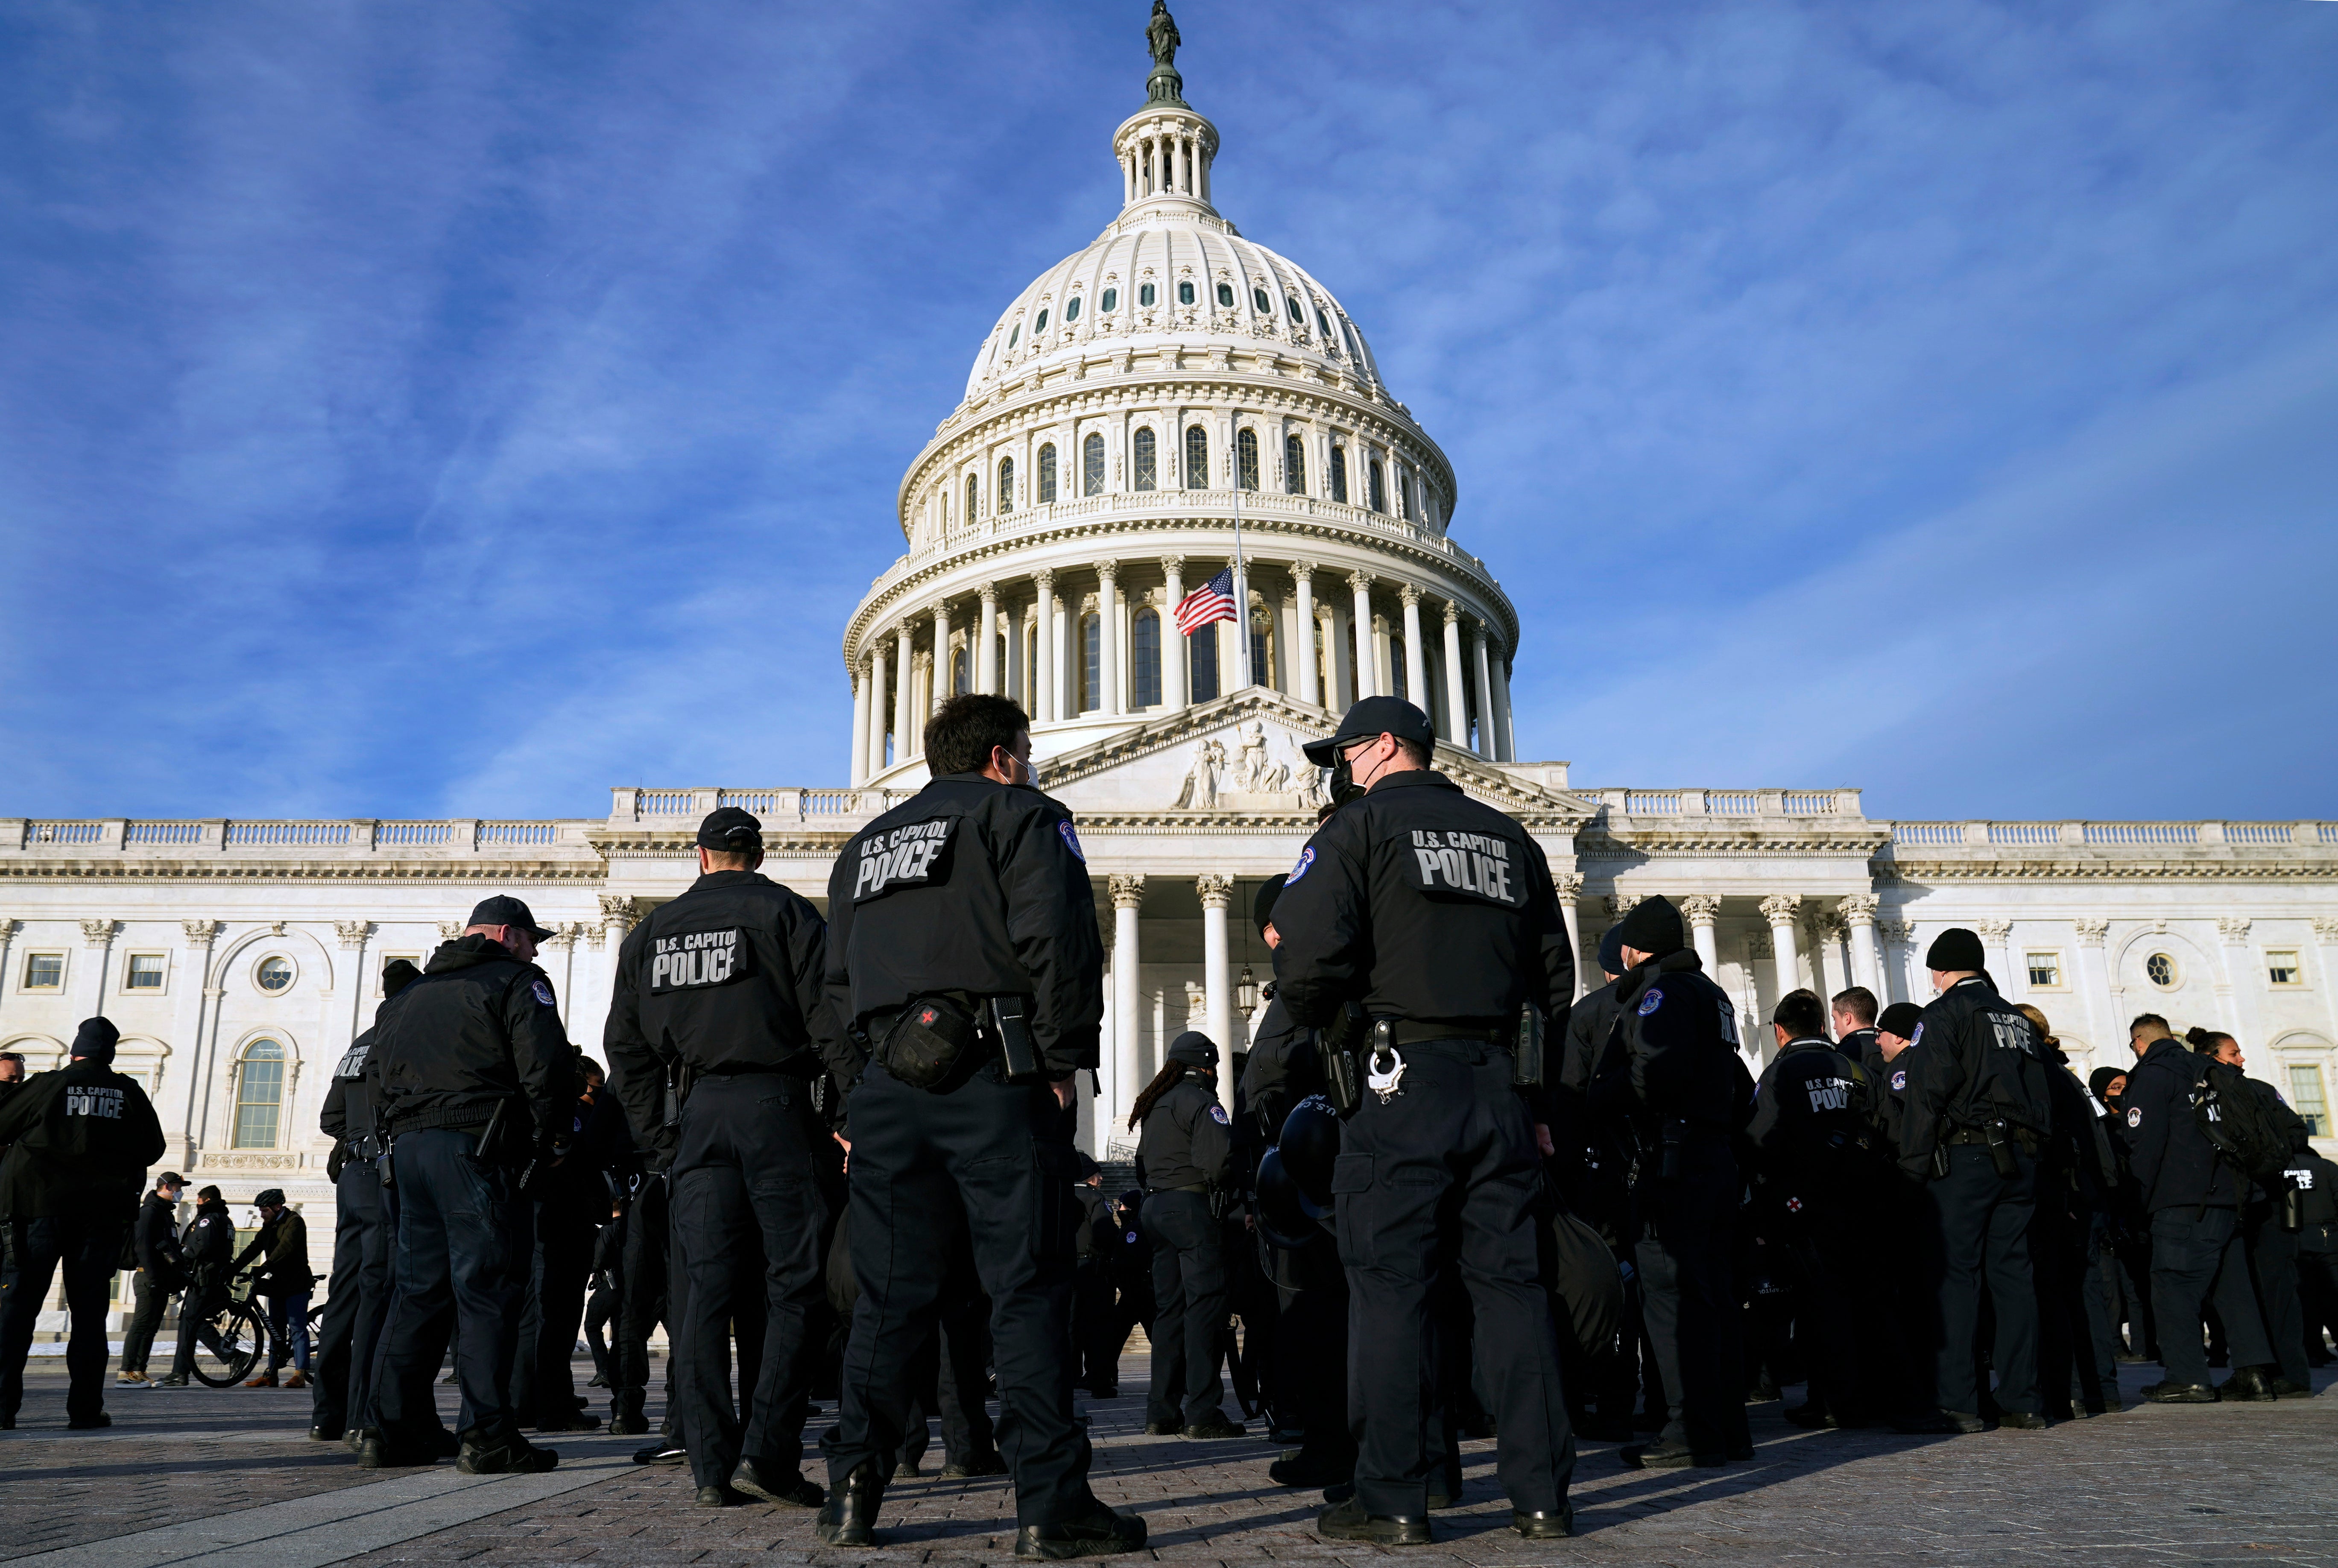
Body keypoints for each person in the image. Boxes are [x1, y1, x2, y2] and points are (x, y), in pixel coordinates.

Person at [813, 693, 1143, 1558]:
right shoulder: (1022, 815)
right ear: (1002, 757)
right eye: (1026, 751)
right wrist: (1065, 1060)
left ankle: (852, 1494)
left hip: (890, 1084)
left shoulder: (867, 848)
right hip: (996, 1074)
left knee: (888, 1298)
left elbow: (834, 990)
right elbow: (1059, 943)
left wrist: (860, 1091)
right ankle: (1050, 1504)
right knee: (1026, 1291)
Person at [1273, 695, 1576, 1544]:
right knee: (1512, 1293)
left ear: (1374, 750)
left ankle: (1395, 1498)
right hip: (1497, 1083)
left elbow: (1303, 963)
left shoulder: (1355, 832)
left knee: (1391, 1292)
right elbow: (1554, 982)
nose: (1337, 768)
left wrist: (1332, 1025)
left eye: (1340, 753)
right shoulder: (1510, 838)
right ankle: (1542, 1495)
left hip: (1397, 1076)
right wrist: (1539, 1099)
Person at [604, 806, 834, 1509]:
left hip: (696, 1113)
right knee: (795, 1285)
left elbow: (627, 1048)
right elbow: (832, 1024)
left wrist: (659, 1137)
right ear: (757, 855)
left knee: (700, 1294)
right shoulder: (791, 916)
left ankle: (709, 1462)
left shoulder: (650, 932)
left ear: (700, 856)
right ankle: (768, 1450)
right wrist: (849, 1116)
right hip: (779, 1108)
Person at [363, 894, 576, 1474]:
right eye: (532, 939)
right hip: (477, 1149)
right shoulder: (517, 982)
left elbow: (375, 1079)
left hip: (409, 1151)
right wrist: (549, 1143)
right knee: (486, 1292)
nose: (535, 951)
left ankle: (391, 1430)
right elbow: (546, 1070)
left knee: (417, 1292)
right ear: (507, 935)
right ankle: (486, 1433)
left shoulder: (407, 997)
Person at [1582, 896, 1761, 1468]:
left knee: (1670, 1300)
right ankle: (1726, 1427)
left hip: (1670, 1160)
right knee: (1713, 1298)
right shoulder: (1711, 993)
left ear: (1635, 949)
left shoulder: (1659, 993)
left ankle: (1687, 1429)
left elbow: (1651, 1074)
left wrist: (1592, 1100)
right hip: (1711, 1157)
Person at [1895, 929, 2054, 1431]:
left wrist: (1911, 1171)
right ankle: (2023, 1399)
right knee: (2013, 1278)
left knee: (1956, 1277)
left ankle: (1958, 1400)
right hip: (2021, 1158)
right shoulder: (2017, 1020)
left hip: (1966, 1157)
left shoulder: (1944, 1015)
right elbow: (2042, 1097)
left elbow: (1926, 1096)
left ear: (1940, 972)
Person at [0, 1019, 166, 1429]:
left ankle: (3, 1409)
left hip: (36, 1210)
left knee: (16, 1310)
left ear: (75, 1052)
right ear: (110, 1054)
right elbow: (154, 1148)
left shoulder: (46, 1085)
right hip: (100, 1216)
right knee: (90, 1316)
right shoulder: (128, 1091)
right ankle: (86, 1409)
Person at [1746, 989, 1899, 1431]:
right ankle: (1866, 1394)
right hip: (1862, 1200)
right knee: (1865, 1300)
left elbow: (1758, 1138)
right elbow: (1884, 1129)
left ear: (1779, 1031)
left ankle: (1830, 1398)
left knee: (1818, 1306)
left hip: (1804, 1206)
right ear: (1821, 1026)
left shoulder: (1781, 1072)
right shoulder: (1855, 1069)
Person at [2120, 1014, 2277, 1403]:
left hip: (2183, 1200)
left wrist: (2137, 1203)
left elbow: (2143, 1147)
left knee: (2172, 1287)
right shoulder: (2208, 1070)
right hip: (2230, 1195)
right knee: (2233, 1288)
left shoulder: (2153, 1075)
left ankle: (2187, 1376)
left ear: (2140, 1042)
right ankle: (2253, 1375)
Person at [313, 958, 419, 1444]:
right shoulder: (403, 1036)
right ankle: (363, 1412)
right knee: (380, 1290)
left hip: (352, 1173)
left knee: (344, 1294)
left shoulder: (356, 1046)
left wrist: (355, 1136)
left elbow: (330, 1117)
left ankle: (326, 1412)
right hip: (383, 1172)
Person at [2186, 1028, 2316, 1398]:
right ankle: (2285, 1371)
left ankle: (2270, 1371)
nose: (2241, 1059)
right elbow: (2296, 1132)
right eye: (2234, 1053)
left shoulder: (2212, 1092)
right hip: (2270, 1197)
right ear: (2212, 1056)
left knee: (2251, 1291)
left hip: (2247, 1200)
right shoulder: (2257, 1090)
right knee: (2276, 1290)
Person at [1131, 1032, 1242, 1439]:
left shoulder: (1155, 1103)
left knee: (1169, 1313)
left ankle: (1160, 1412)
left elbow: (1141, 1164)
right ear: (1207, 1066)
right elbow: (1218, 1162)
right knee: (1204, 1310)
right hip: (1191, 1209)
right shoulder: (1202, 1102)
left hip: (1156, 1209)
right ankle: (1203, 1413)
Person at [234, 1189, 316, 1388]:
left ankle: (300, 1374)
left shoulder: (294, 1222)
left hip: (297, 1282)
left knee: (296, 1327)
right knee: (275, 1329)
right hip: (277, 1283)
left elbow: (286, 1247)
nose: (262, 1215)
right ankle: (271, 1374)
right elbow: (254, 1247)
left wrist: (265, 1267)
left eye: (264, 1211)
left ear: (277, 1207)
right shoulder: (269, 1226)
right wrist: (233, 1268)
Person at [157, 1185, 236, 1388]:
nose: (197, 1204)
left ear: (206, 1201)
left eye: (199, 1201)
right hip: (211, 1277)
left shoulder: (209, 1219)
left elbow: (201, 1247)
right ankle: (180, 1372)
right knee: (188, 1323)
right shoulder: (225, 1220)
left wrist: (179, 1256)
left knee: (193, 1321)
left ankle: (232, 1355)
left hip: (204, 1278)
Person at [118, 1172, 189, 1386]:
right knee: (141, 1325)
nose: (180, 1192)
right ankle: (126, 1371)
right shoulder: (150, 1212)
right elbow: (143, 1246)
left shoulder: (165, 1213)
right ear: (167, 1187)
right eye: (178, 1187)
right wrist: (153, 1275)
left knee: (151, 1327)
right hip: (148, 1277)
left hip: (159, 1279)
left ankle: (139, 1371)